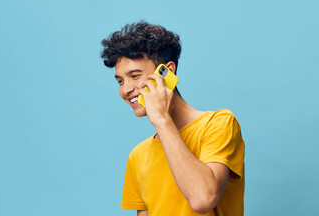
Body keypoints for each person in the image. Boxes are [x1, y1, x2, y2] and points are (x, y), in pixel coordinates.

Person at [101, 21, 245, 216]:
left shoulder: (219, 123)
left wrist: (161, 120)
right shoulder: (138, 156)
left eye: (135, 76)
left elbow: (203, 199)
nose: (125, 90)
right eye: (120, 81)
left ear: (167, 71)